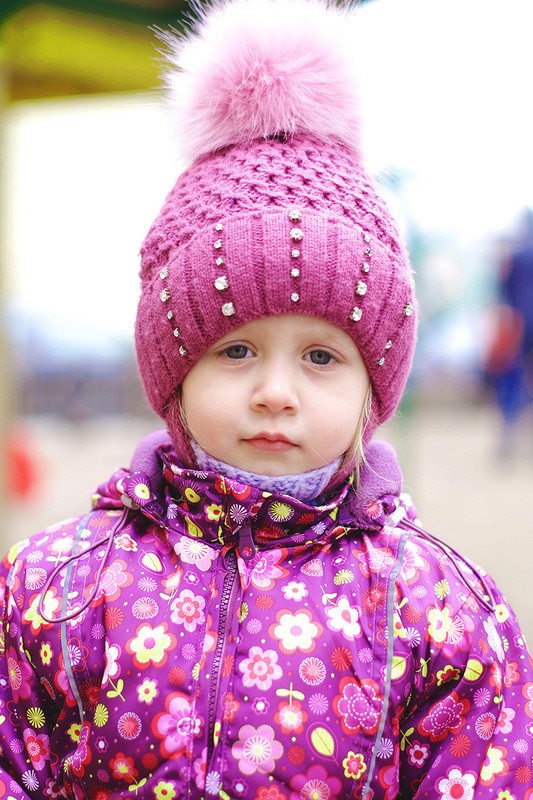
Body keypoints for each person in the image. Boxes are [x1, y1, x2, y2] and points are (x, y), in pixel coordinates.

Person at [1, 1, 532, 798]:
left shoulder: (441, 613)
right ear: (173, 374)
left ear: (372, 387)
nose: (275, 393)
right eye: (235, 350)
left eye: (321, 356)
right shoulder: (57, 590)